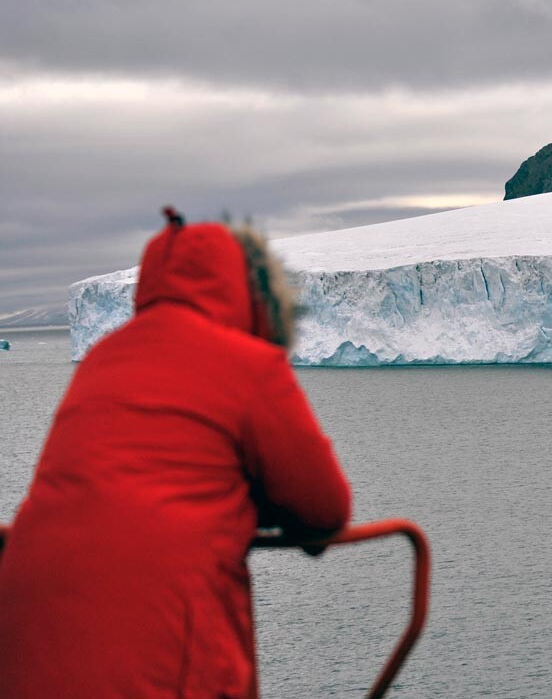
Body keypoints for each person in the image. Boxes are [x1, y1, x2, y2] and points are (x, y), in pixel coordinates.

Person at [0, 207, 352, 699]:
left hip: (25, 641)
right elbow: (324, 508)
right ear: (247, 290)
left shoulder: (101, 360)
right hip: (158, 657)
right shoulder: (247, 364)